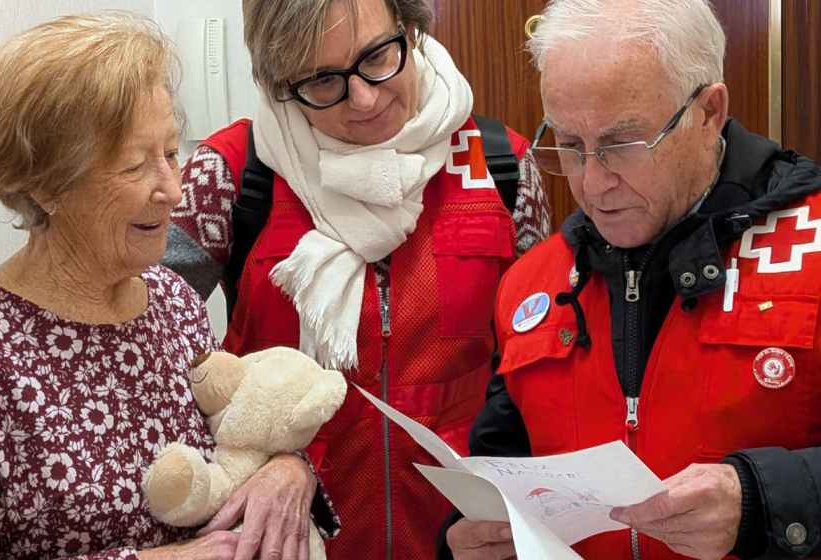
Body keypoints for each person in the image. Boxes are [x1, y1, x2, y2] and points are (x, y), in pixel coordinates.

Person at [162, 0, 551, 558]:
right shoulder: (233, 172)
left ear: (410, 30)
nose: (364, 98)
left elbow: (544, 368)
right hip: (294, 534)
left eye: (376, 57)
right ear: (279, 85)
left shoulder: (502, 166)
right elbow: (145, 351)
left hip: (463, 532)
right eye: (323, 82)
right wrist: (259, 456)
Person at [443, 0, 821, 559]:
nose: (593, 184)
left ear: (709, 112)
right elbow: (503, 470)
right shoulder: (532, 283)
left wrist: (764, 500)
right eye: (569, 146)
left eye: (622, 144)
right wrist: (466, 540)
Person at [0, 13, 335, 559]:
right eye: (133, 166)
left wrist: (287, 470)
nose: (173, 189)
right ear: (45, 184)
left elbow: (235, 434)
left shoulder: (173, 300)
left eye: (170, 152)